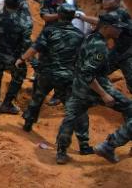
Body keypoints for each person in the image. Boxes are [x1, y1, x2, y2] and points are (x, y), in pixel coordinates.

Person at [55, 12, 132, 165]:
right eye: (116, 27)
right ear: (106, 27)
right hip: (96, 88)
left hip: (79, 88)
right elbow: (88, 73)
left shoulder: (90, 37)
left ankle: (61, 153)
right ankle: (110, 145)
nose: (119, 31)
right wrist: (104, 95)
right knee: (130, 108)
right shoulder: (100, 46)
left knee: (70, 118)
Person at [18, 4, 89, 150]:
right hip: (67, 76)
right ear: (72, 17)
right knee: (73, 108)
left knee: (37, 98)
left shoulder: (49, 31)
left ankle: (27, 124)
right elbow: (83, 57)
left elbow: (35, 48)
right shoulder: (79, 35)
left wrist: (22, 59)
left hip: (47, 73)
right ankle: (83, 142)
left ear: (59, 14)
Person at [79, 0, 132, 94]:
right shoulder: (115, 13)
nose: (105, 1)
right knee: (98, 70)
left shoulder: (118, 13)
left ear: (117, 0)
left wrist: (81, 17)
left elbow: (101, 22)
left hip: (128, 53)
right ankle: (93, 93)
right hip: (118, 51)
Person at [0, 0, 30, 116]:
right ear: (19, 5)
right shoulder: (23, 22)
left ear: (5, 3)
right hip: (13, 58)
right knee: (19, 77)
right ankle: (6, 103)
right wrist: (23, 58)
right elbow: (26, 43)